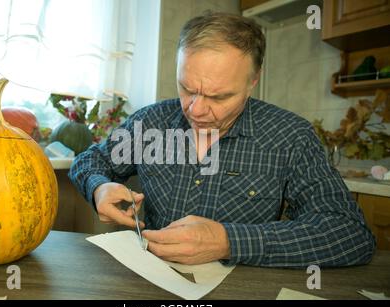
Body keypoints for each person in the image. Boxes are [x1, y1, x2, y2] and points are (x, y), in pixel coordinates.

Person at [69, 11, 375, 268]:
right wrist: (98, 187)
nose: (196, 110)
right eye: (187, 88)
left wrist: (229, 242)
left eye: (220, 96)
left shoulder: (291, 136)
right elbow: (90, 160)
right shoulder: (150, 122)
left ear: (253, 81)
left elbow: (350, 234)